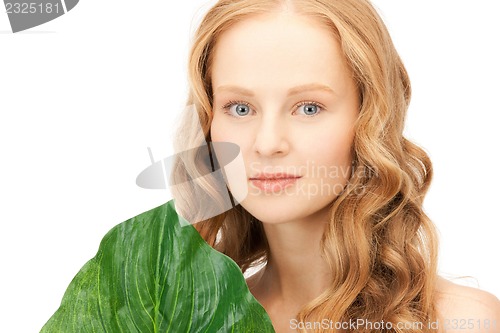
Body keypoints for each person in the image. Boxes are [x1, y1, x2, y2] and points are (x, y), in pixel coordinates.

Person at [171, 0, 500, 332]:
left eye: (309, 108)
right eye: (240, 108)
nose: (267, 144)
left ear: (370, 117)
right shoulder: (195, 321)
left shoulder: (461, 321)